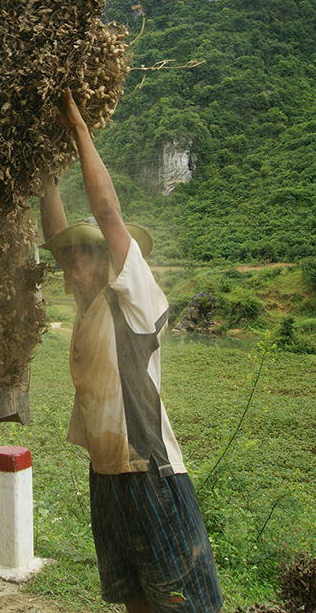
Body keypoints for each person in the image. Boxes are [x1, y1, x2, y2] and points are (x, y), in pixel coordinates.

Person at [40, 88, 222, 613]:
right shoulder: (89, 306)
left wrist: (78, 130)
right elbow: (55, 234)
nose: (69, 272)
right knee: (135, 603)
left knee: (180, 606)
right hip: (108, 480)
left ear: (109, 263)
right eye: (67, 263)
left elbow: (107, 213)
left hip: (152, 478)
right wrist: (45, 174)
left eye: (80, 261)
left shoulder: (136, 298)